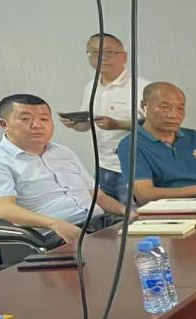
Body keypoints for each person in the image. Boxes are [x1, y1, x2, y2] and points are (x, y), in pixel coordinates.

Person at [0, 94, 130, 246]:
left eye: (44, 119)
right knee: (121, 254)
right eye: (25, 119)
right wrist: (55, 224)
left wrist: (127, 212)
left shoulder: (64, 152)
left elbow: (98, 197)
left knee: (140, 238)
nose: (37, 125)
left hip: (100, 223)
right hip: (56, 234)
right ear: (4, 124)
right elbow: (5, 209)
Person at [59, 33, 150, 203]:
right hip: (103, 165)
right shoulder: (91, 86)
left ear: (124, 56)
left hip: (134, 167)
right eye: (94, 53)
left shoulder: (141, 87)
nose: (102, 58)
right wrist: (75, 124)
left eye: (108, 52)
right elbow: (88, 124)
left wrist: (119, 125)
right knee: (106, 213)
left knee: (133, 214)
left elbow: (157, 127)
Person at [116, 82, 196, 204]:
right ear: (144, 106)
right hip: (168, 210)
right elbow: (144, 195)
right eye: (165, 107)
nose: (173, 115)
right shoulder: (131, 145)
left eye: (180, 108)